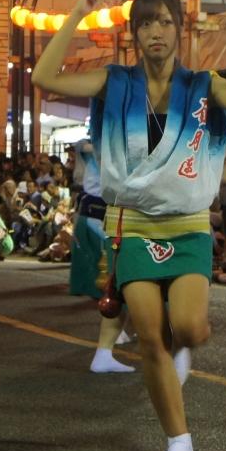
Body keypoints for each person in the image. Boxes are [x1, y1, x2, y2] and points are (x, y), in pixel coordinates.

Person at [32, 0, 226, 451]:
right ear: (134, 33)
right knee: (150, 337)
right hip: (131, 225)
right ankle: (178, 441)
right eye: (146, 23)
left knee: (188, 327)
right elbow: (45, 77)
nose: (156, 32)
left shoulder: (205, 86)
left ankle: (183, 345)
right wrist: (77, 14)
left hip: (187, 225)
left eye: (165, 22)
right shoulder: (114, 81)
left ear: (179, 30)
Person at [66, 138, 135, 374]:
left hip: (102, 210)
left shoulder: (100, 144)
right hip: (101, 212)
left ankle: (118, 334)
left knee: (113, 272)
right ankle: (116, 333)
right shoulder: (98, 144)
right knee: (112, 273)